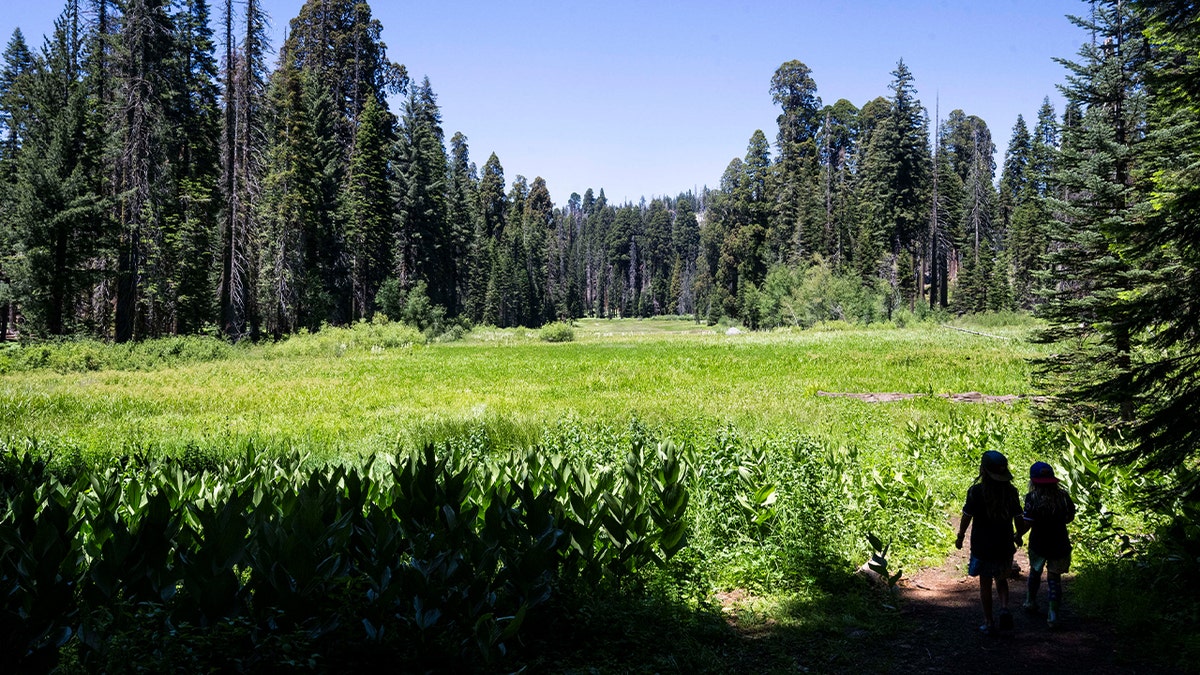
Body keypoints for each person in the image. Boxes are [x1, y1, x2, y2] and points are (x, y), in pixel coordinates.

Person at [955, 450, 1023, 635]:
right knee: (1001, 580)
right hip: (1004, 545)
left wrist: (960, 536)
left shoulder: (976, 492)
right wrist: (1019, 535)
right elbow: (1020, 519)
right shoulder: (1011, 492)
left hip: (982, 546)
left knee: (985, 584)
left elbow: (966, 517)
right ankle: (1004, 607)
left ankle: (988, 621)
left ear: (983, 470)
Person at [1014, 461, 1076, 629]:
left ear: (1033, 481)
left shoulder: (1032, 498)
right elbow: (1070, 517)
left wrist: (1017, 535)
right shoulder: (1063, 496)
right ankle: (1053, 614)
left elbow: (1027, 523)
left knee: (1035, 572)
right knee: (1054, 579)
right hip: (1060, 542)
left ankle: (1030, 601)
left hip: (1038, 543)